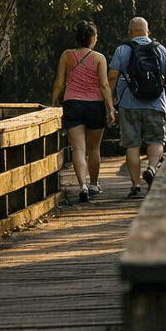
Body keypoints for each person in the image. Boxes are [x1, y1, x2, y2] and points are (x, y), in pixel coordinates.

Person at [108, 17, 166, 198]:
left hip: (128, 106)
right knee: (156, 141)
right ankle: (152, 168)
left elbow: (112, 78)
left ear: (130, 32)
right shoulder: (160, 49)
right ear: (148, 32)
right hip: (156, 104)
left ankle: (136, 186)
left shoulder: (122, 50)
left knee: (132, 145)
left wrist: (109, 102)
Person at [49, 20, 115, 202]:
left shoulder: (66, 55)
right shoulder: (99, 58)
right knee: (94, 148)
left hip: (73, 104)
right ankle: (94, 183)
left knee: (78, 148)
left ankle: (82, 186)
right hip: (95, 105)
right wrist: (110, 109)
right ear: (93, 39)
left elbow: (59, 83)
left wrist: (53, 103)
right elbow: (104, 85)